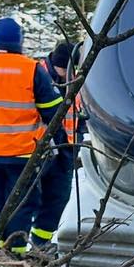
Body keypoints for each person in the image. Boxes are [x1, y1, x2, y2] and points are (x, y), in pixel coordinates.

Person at [0, 17, 62, 257]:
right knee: (21, 204)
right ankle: (16, 253)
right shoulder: (31, 69)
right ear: (19, 41)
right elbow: (53, 111)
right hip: (22, 154)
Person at [29, 40, 85, 255]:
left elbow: (78, 110)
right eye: (63, 69)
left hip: (67, 146)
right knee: (30, 196)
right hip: (40, 146)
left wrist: (79, 134)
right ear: (55, 62)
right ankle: (14, 244)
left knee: (58, 196)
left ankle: (40, 243)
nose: (65, 74)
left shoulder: (75, 77)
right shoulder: (37, 73)